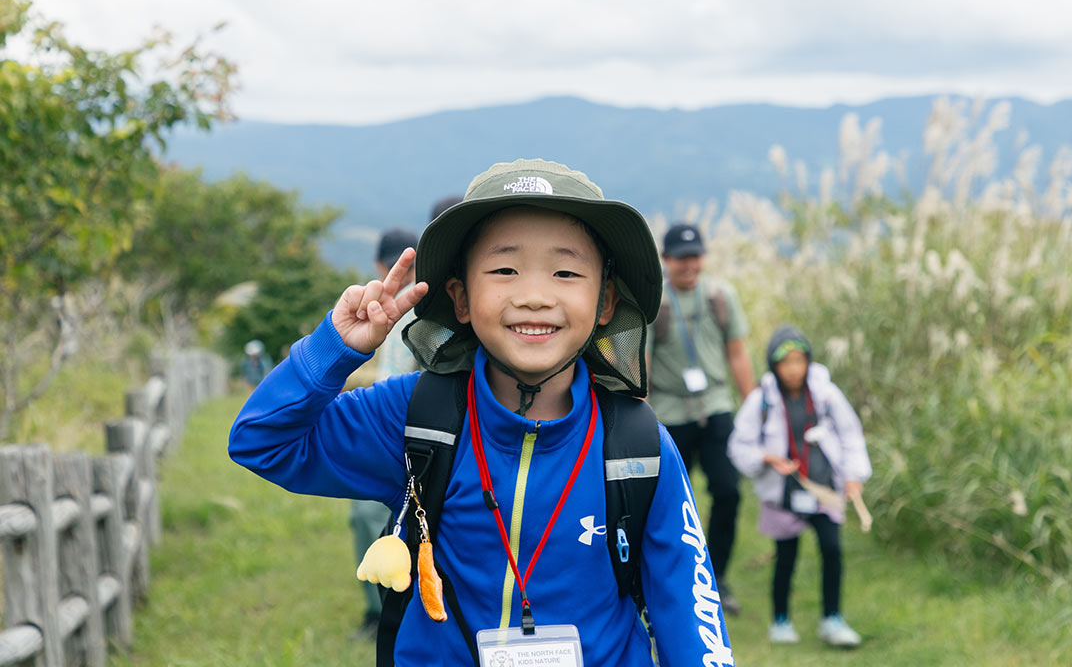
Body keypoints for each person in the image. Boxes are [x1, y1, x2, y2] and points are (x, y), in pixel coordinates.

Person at [228, 159, 734, 667]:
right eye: (504, 270)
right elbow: (261, 441)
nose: (535, 296)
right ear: (461, 297)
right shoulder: (414, 417)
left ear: (605, 302)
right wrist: (334, 350)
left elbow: (691, 617)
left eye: (566, 272)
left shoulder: (637, 446)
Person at [727, 326, 871, 648]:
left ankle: (832, 619)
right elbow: (739, 445)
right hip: (784, 494)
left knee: (832, 550)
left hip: (823, 490)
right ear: (773, 365)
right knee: (786, 557)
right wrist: (767, 458)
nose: (793, 368)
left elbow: (851, 434)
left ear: (808, 361)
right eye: (785, 362)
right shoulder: (761, 399)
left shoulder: (826, 394)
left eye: (799, 360)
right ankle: (781, 620)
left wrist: (853, 476)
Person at [646, 222, 754, 614]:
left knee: (728, 491)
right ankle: (679, 577)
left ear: (703, 258)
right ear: (666, 260)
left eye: (694, 257)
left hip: (716, 406)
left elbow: (737, 352)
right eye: (680, 258)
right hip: (670, 413)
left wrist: (753, 406)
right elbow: (642, 361)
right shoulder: (654, 302)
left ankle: (718, 576)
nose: (688, 265)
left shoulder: (720, 296)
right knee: (672, 500)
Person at [348, 227, 421, 640]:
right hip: (389, 421)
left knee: (376, 516)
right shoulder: (382, 306)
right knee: (374, 516)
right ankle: (384, 609)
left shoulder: (425, 306)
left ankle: (388, 611)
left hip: (411, 428)